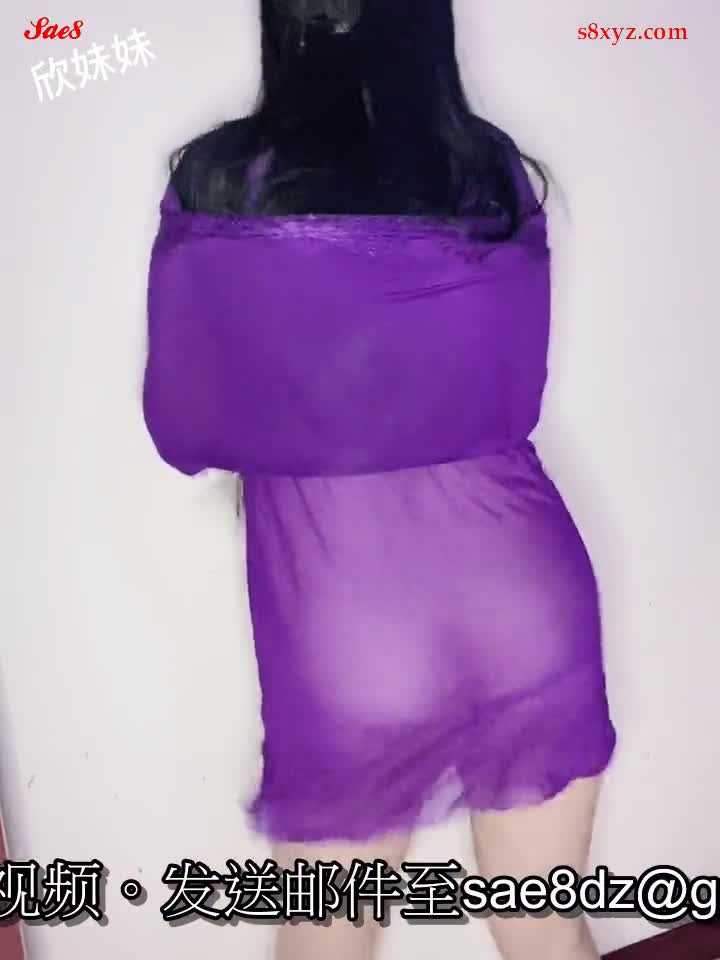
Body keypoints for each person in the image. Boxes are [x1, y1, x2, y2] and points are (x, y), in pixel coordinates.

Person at [142, 1, 617, 957]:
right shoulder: (488, 171)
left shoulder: (224, 178)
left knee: (328, 942)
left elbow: (185, 427)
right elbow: (508, 395)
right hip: (527, 594)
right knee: (544, 928)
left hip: (346, 622)